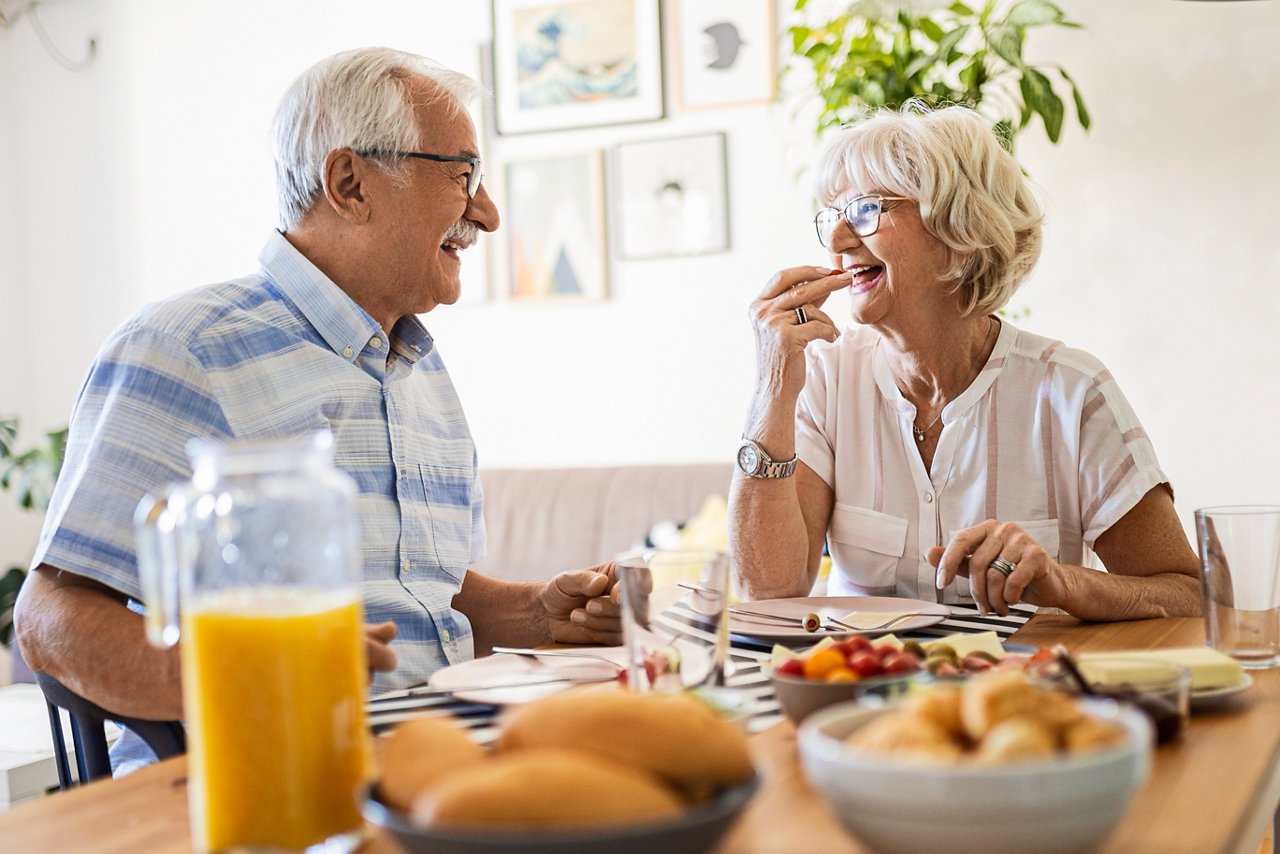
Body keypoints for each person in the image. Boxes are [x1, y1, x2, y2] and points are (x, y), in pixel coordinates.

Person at [13, 48, 623, 765]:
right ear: (350, 183)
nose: (485, 213)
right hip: (265, 782)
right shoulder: (184, 347)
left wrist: (535, 612)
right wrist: (256, 676)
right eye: (464, 175)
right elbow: (50, 618)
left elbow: (421, 599)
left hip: (435, 755)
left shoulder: (418, 367)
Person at [729, 103, 1201, 622]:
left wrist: (1062, 581)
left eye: (864, 210)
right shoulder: (826, 379)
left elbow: (1186, 595)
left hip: (1018, 693)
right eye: (833, 217)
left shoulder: (1070, 392)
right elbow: (768, 595)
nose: (839, 240)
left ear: (958, 231)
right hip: (861, 690)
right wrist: (772, 387)